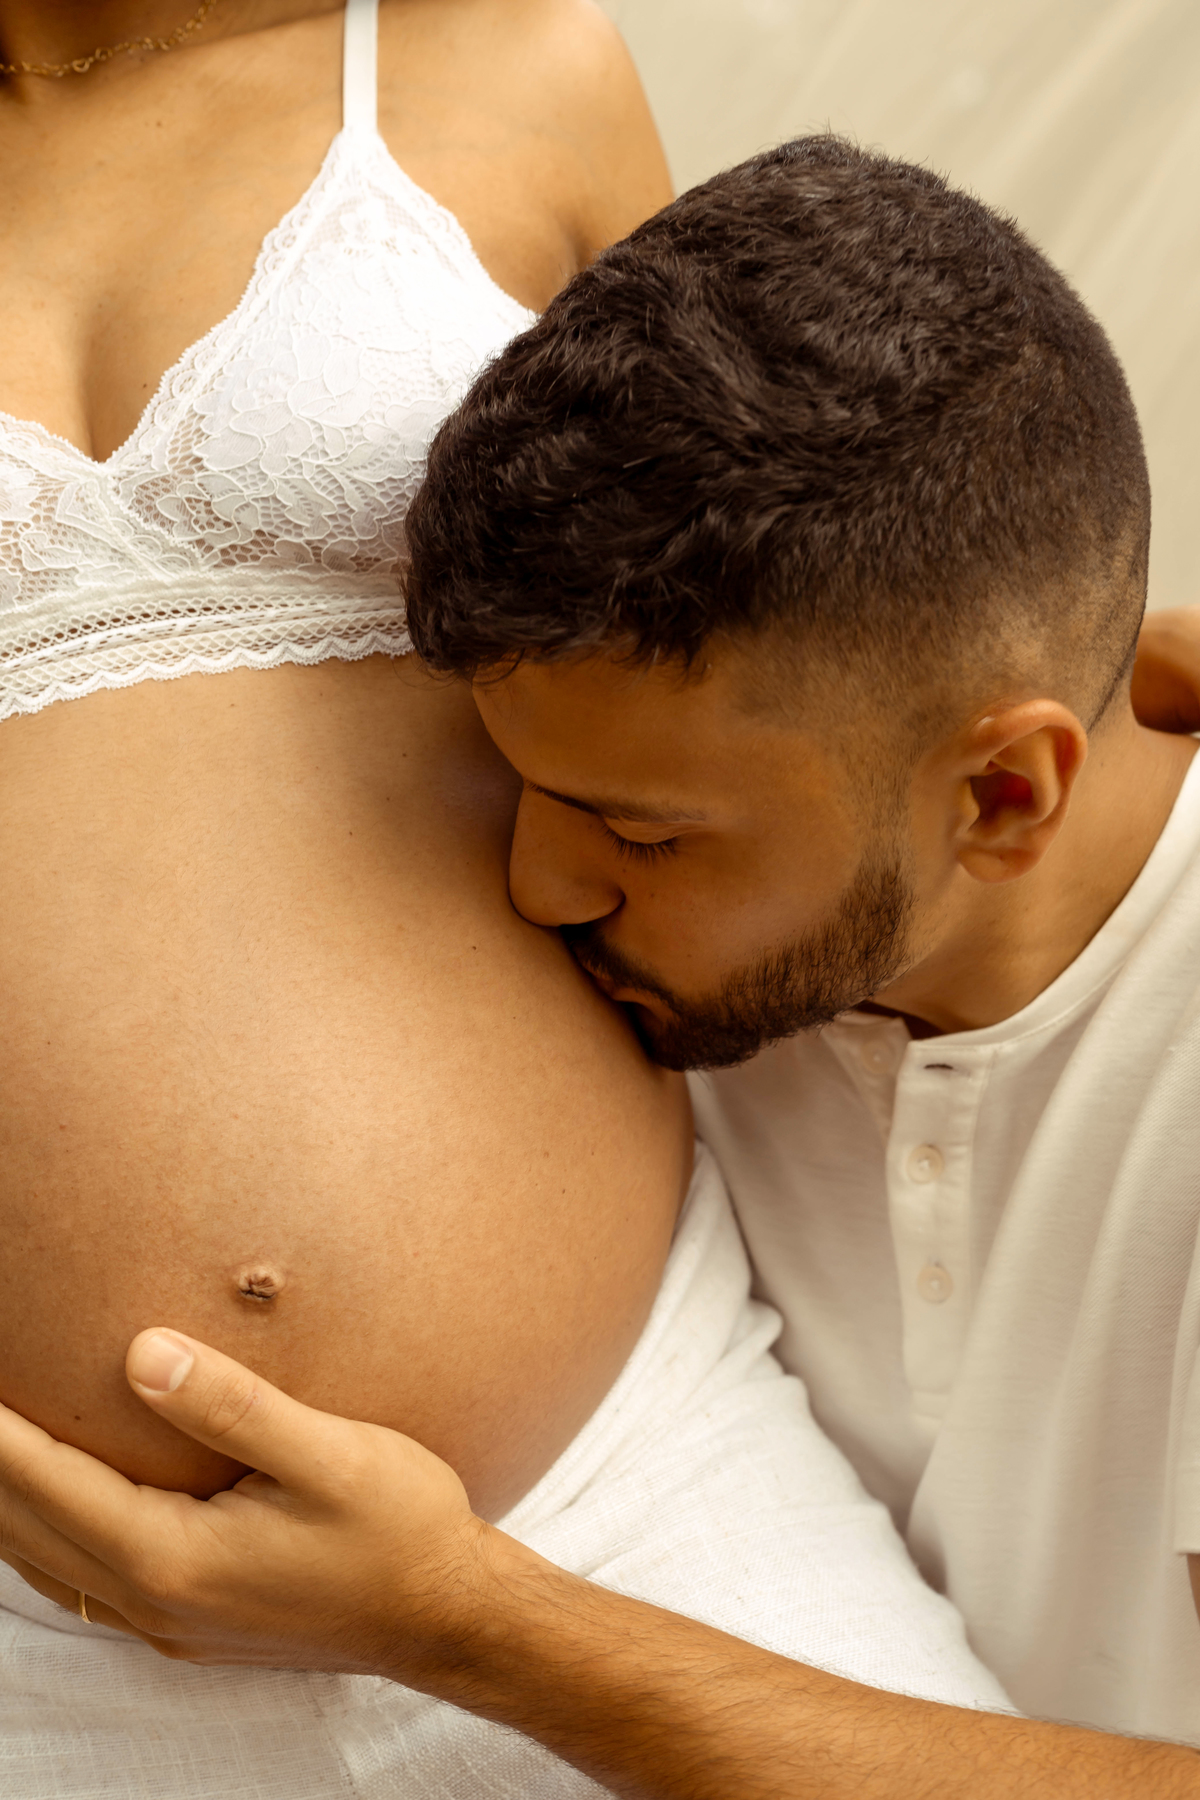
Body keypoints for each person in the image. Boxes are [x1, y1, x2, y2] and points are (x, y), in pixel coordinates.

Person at [6, 134, 1200, 1799]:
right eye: (524, 788)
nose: (538, 886)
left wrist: (462, 1621)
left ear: (1004, 797)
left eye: (638, 833)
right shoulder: (815, 904)